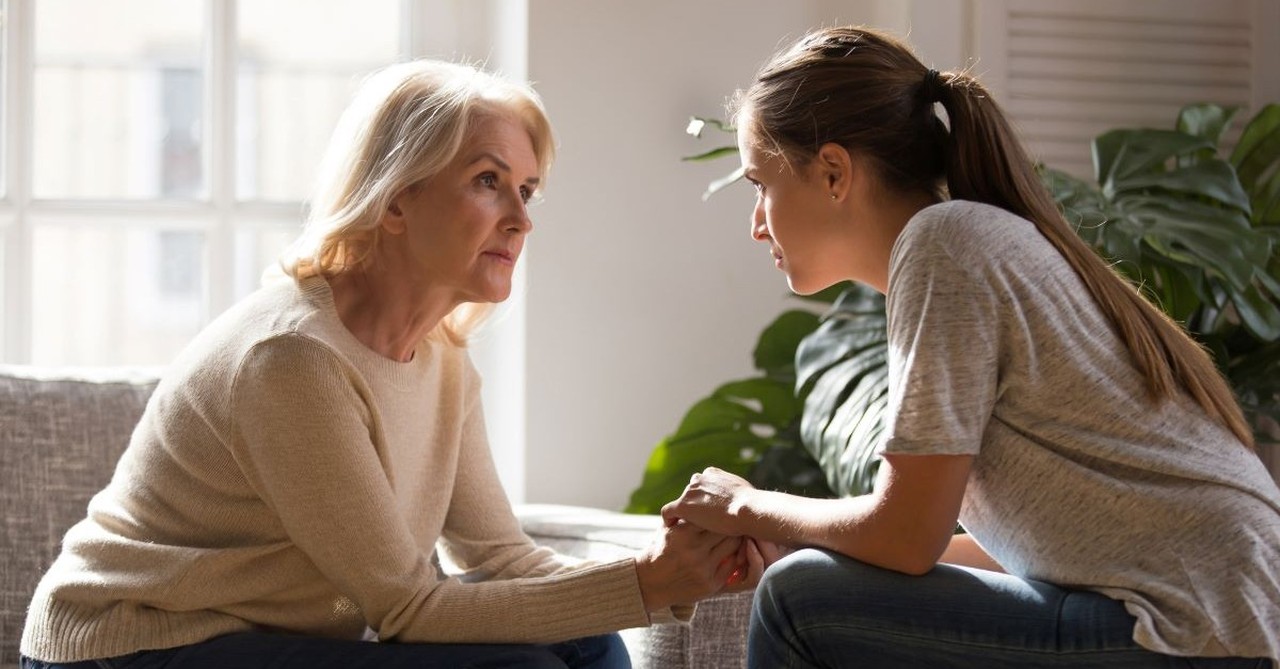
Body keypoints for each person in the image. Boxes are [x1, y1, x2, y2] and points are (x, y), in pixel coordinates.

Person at [20, 60, 764, 669]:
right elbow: (406, 608)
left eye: (527, 190)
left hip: (256, 636)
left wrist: (660, 574)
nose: (521, 217)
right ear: (397, 198)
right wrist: (644, 581)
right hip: (132, 641)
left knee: (587, 642)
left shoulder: (443, 360)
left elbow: (498, 556)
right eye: (487, 180)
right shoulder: (292, 359)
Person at [662, 26, 1280, 669]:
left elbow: (907, 538)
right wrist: (797, 540)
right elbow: (1013, 546)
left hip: (1190, 628)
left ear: (834, 173)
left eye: (760, 184)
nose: (756, 223)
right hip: (1220, 622)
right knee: (807, 579)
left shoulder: (945, 247)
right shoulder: (968, 241)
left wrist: (744, 504)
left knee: (798, 603)